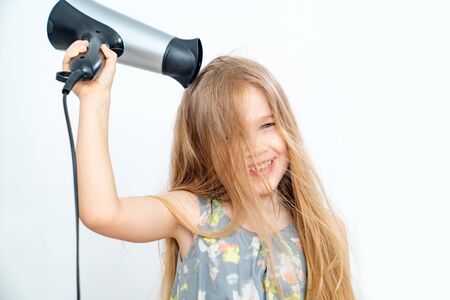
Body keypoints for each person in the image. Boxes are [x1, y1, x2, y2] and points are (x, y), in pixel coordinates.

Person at [63, 40, 355, 300]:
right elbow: (102, 212)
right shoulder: (196, 216)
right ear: (205, 151)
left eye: (266, 125)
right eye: (231, 137)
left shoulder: (323, 230)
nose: (254, 149)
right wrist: (94, 101)